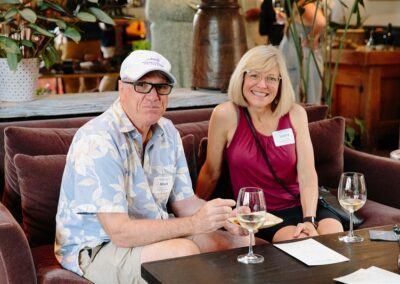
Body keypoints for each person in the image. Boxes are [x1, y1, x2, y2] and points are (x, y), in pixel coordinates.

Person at [55, 50, 250, 283]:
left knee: (240, 243)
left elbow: (186, 203)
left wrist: (225, 219)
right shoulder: (98, 139)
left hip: (150, 235)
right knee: (182, 253)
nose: (153, 96)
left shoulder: (168, 132)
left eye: (161, 87)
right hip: (97, 247)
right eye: (142, 86)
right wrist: (195, 224)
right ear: (122, 88)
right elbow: (119, 232)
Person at [196, 45, 343, 243]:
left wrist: (309, 220)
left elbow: (307, 173)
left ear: (281, 83)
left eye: (271, 78)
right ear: (242, 77)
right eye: (254, 75)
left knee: (335, 237)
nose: (262, 85)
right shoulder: (226, 115)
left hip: (305, 205)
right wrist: (195, 215)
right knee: (300, 243)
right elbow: (211, 172)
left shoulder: (295, 114)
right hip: (262, 215)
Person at [279, 0, 326, 104]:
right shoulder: (299, 4)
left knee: (307, 96)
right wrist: (287, 20)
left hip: (304, 60)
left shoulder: (305, 3)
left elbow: (321, 22)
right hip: (297, 61)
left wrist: (311, 37)